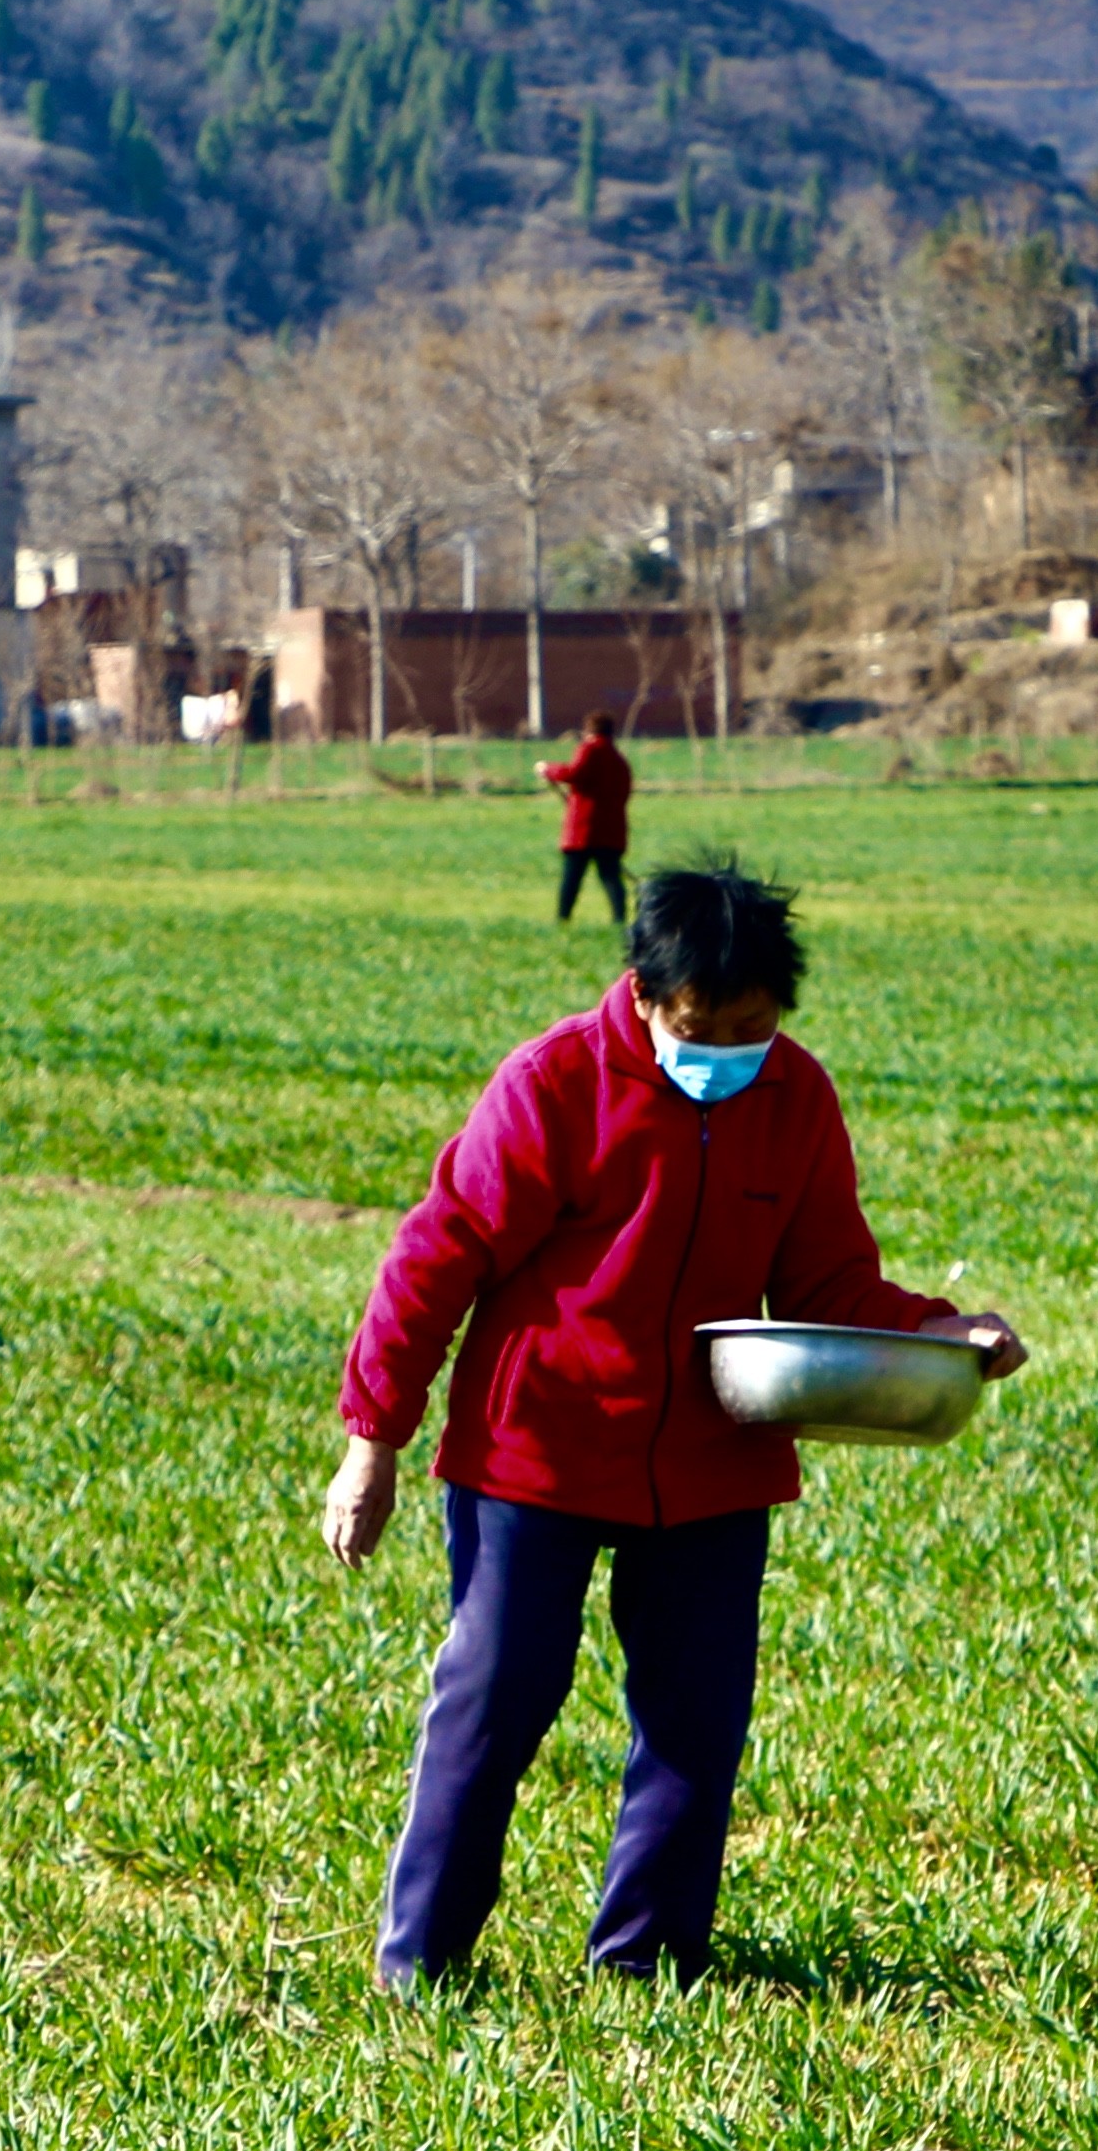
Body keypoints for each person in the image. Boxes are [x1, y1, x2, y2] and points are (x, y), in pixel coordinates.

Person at [324, 853, 1021, 1984]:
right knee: (497, 1697)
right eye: (704, 1026)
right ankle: (422, 1965)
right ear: (643, 995)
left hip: (709, 1461)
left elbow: (828, 1285)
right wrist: (375, 1443)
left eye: (754, 1026)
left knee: (696, 1722)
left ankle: (650, 1967)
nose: (729, 1053)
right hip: (534, 1448)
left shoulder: (795, 1098)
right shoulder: (556, 1083)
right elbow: (433, 1259)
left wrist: (942, 1336)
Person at [540, 708, 632, 926]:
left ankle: (563, 919)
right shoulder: (620, 761)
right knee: (611, 878)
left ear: (589, 731)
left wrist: (547, 769)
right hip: (611, 830)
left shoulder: (589, 750)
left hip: (583, 830)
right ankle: (620, 919)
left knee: (572, 878)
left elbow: (573, 774)